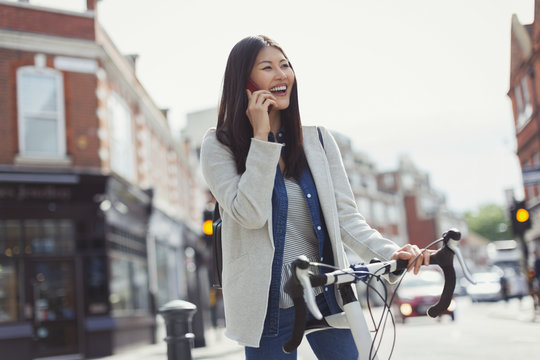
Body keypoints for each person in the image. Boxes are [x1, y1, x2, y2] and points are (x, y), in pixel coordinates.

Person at [200, 35, 431, 359]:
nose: (282, 74)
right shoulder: (218, 145)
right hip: (267, 306)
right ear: (245, 82)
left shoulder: (319, 140)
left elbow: (347, 219)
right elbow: (250, 214)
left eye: (286, 65)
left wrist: (393, 253)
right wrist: (262, 139)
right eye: (267, 67)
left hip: (326, 295)